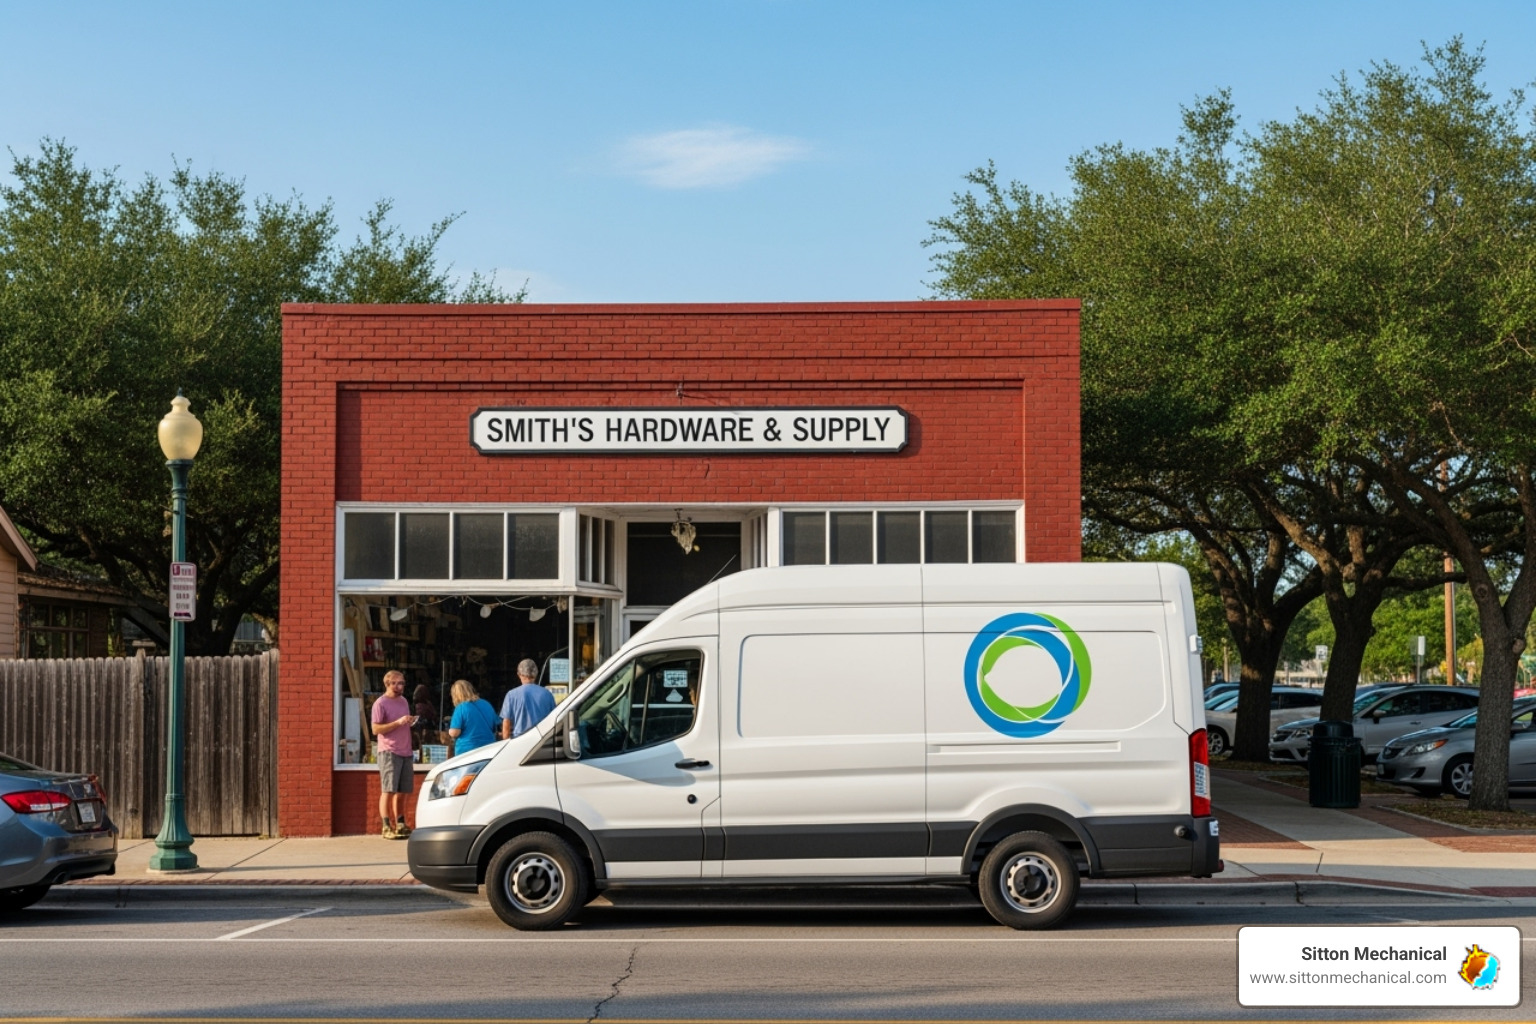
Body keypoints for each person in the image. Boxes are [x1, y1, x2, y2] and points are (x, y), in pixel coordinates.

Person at [370, 670, 415, 839]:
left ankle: (401, 823)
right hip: (389, 751)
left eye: (402, 683)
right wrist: (398, 722)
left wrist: (409, 721)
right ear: (387, 684)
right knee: (388, 789)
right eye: (396, 683)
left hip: (406, 750)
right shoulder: (380, 703)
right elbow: (375, 729)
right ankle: (386, 825)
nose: (400, 686)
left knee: (403, 790)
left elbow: (402, 723)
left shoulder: (404, 701)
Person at [501, 658, 556, 739]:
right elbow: (554, 720)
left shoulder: (511, 695)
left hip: (519, 741)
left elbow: (506, 723)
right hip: (542, 740)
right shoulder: (547, 694)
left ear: (519, 675)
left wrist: (505, 743)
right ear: (536, 674)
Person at [447, 678, 499, 756]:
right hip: (489, 748)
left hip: (467, 750)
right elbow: (496, 725)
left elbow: (454, 733)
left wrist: (449, 731)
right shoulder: (486, 704)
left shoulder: (461, 707)